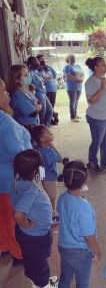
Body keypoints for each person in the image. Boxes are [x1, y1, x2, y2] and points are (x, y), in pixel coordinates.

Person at [12, 149, 58, 288]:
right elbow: (17, 214)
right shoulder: (30, 190)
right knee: (39, 262)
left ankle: (35, 281)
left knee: (33, 259)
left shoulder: (20, 179)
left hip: (31, 235)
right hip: (35, 235)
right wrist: (26, 224)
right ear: (35, 170)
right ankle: (44, 285)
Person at [0, 78, 32, 265]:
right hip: (9, 179)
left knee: (3, 216)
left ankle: (4, 246)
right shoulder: (4, 122)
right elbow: (19, 154)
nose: (8, 93)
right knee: (14, 217)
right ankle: (18, 253)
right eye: (4, 90)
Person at [57, 161, 101, 288]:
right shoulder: (84, 208)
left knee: (65, 277)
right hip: (80, 252)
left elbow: (61, 214)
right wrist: (98, 252)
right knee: (82, 282)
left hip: (64, 246)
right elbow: (89, 238)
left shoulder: (62, 197)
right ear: (85, 181)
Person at [85, 56, 106, 172]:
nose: (105, 66)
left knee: (105, 141)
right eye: (103, 64)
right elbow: (91, 101)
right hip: (97, 118)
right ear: (95, 67)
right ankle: (93, 164)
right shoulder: (90, 82)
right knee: (97, 142)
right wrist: (102, 88)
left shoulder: (104, 79)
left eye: (105, 64)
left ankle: (105, 162)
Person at [30, 125, 62, 223]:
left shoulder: (35, 148)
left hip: (41, 177)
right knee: (52, 198)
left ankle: (45, 213)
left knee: (43, 194)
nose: (51, 134)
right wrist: (53, 147)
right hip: (50, 179)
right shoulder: (49, 151)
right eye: (48, 133)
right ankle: (51, 216)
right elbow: (60, 158)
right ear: (42, 139)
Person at [27, 56, 53, 127]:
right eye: (36, 62)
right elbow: (26, 85)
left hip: (43, 93)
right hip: (38, 95)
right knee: (42, 113)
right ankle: (40, 128)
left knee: (50, 111)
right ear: (31, 63)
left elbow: (41, 79)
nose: (38, 63)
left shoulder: (36, 71)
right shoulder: (29, 73)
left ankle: (46, 126)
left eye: (38, 61)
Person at [37, 54, 58, 125]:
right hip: (45, 91)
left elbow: (54, 74)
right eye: (41, 59)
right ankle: (46, 122)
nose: (43, 60)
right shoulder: (38, 69)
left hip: (53, 88)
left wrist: (50, 80)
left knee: (51, 106)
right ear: (38, 60)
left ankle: (50, 120)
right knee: (45, 108)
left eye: (44, 59)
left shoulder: (48, 67)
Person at [64, 54, 84, 122]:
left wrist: (82, 79)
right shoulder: (67, 66)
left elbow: (82, 74)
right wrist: (78, 79)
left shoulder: (77, 66)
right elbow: (68, 76)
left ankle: (75, 114)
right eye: (70, 58)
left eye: (73, 58)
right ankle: (72, 117)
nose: (72, 59)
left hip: (79, 86)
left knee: (76, 101)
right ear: (67, 59)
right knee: (73, 101)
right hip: (71, 86)